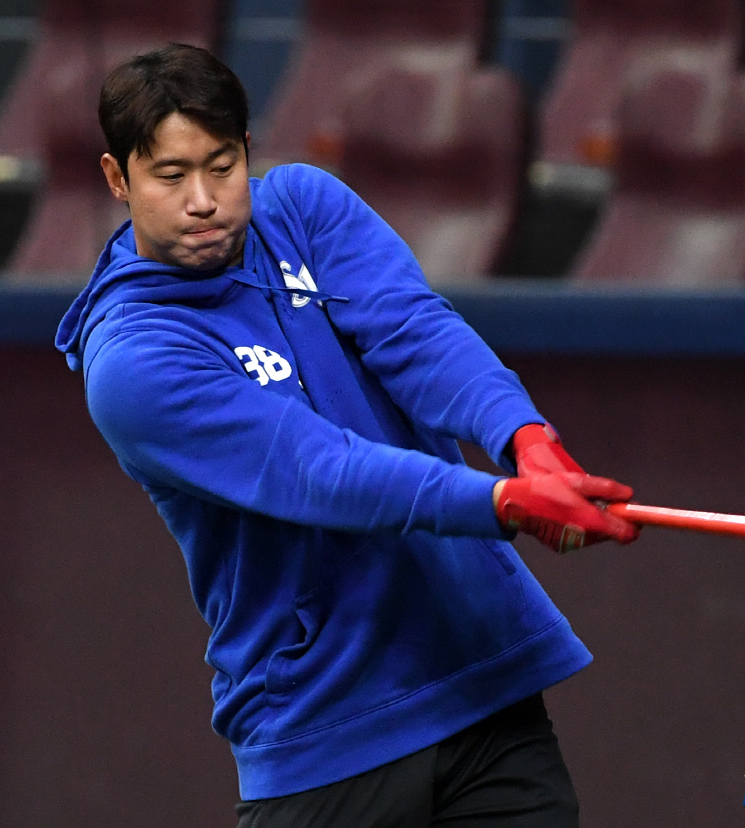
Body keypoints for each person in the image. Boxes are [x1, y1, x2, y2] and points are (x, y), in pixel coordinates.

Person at [55, 43, 640, 827]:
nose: (204, 200)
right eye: (170, 175)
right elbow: (319, 471)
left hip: (480, 682)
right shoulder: (132, 361)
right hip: (324, 731)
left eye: (222, 166)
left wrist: (523, 435)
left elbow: (415, 332)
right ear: (116, 179)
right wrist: (500, 502)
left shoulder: (301, 206)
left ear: (247, 154)